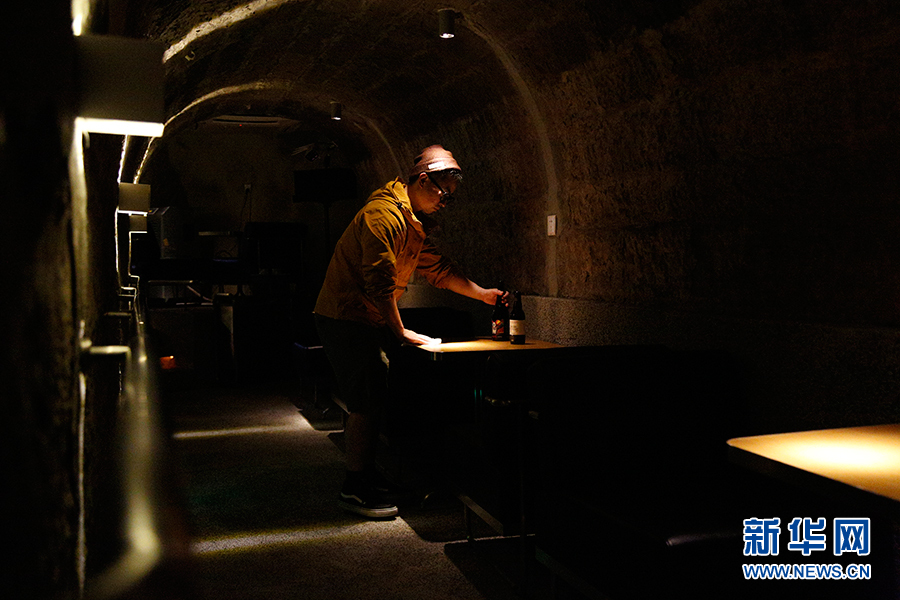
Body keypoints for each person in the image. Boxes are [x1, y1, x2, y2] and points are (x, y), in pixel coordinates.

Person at [313, 145, 506, 518]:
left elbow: (439, 269)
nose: (445, 202)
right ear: (423, 180)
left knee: (375, 395)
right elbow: (379, 283)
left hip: (367, 318)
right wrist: (401, 332)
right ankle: (354, 488)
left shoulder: (411, 221)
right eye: (444, 193)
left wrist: (483, 295)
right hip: (345, 316)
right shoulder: (382, 216)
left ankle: (368, 475)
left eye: (451, 197)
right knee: (365, 400)